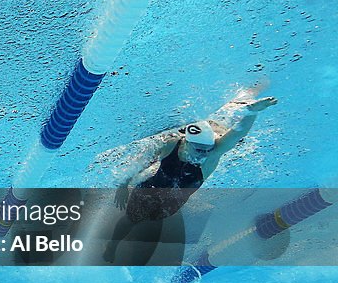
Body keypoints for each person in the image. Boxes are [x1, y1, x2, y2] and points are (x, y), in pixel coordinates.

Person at [103, 96, 277, 262]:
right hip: (150, 188)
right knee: (130, 219)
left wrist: (252, 111)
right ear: (186, 142)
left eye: (207, 149)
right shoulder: (172, 144)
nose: (204, 154)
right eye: (199, 149)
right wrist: (124, 184)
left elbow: (236, 135)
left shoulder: (212, 154)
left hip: (174, 202)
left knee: (155, 219)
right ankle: (112, 246)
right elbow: (142, 161)